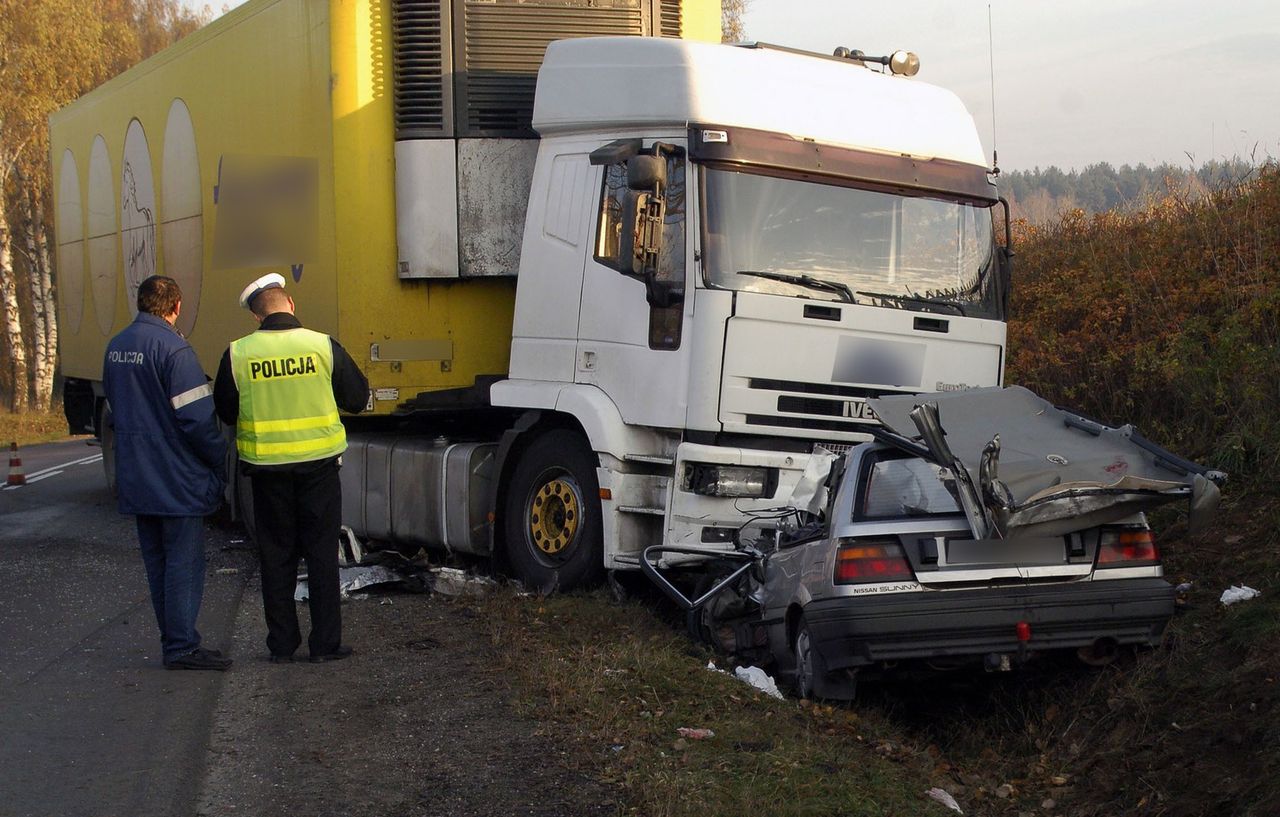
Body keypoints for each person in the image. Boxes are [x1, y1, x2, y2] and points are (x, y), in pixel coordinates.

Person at [213, 273, 369, 664]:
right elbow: (357, 397)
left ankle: (282, 646)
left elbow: (225, 412)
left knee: (276, 557)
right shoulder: (322, 346)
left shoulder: (238, 354)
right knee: (320, 555)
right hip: (319, 470)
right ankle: (325, 645)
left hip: (267, 472)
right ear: (291, 304)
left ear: (256, 317)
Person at [102, 275, 231, 671]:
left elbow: (114, 405)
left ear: (141, 303)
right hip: (176, 475)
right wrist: (219, 458)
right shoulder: (175, 350)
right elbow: (196, 419)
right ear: (176, 306)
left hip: (137, 475)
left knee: (157, 562)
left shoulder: (117, 347)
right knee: (183, 562)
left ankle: (174, 640)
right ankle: (181, 646)